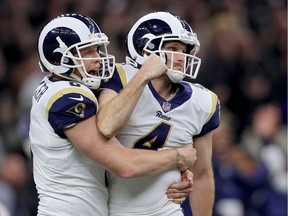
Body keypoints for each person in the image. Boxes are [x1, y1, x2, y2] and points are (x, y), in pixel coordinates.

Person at [29, 13, 197, 216]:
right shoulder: (68, 98)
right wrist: (178, 157)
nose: (98, 58)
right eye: (87, 52)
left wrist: (167, 174)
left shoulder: (58, 87)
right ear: (59, 57)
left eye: (97, 50)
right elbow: (124, 165)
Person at [97, 11, 220, 216]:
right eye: (173, 49)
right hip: (111, 207)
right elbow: (107, 125)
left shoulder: (203, 102)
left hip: (164, 209)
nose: (182, 58)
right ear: (146, 50)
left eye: (185, 51)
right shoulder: (120, 76)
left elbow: (202, 175)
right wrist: (144, 74)